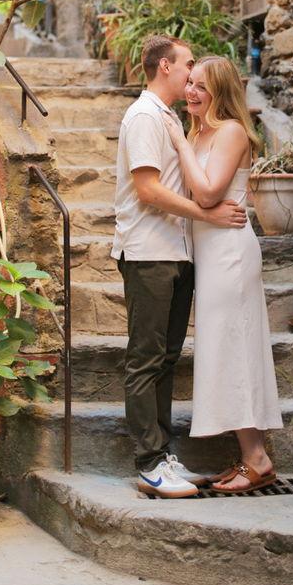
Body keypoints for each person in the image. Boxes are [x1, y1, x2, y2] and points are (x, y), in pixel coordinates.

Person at [112, 35, 249, 498]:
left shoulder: (173, 118)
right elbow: (148, 191)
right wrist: (207, 215)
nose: (192, 74)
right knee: (146, 359)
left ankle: (164, 453)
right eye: (187, 65)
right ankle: (149, 461)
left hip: (176, 252)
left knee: (167, 359)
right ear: (165, 67)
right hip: (149, 252)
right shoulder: (145, 116)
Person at [160, 55, 283, 493]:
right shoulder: (200, 132)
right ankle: (250, 456)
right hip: (210, 255)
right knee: (226, 349)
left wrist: (177, 142)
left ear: (221, 93)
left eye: (201, 87)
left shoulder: (230, 131)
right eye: (189, 83)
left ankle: (257, 459)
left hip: (230, 255)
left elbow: (209, 192)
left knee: (236, 349)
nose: (191, 92)